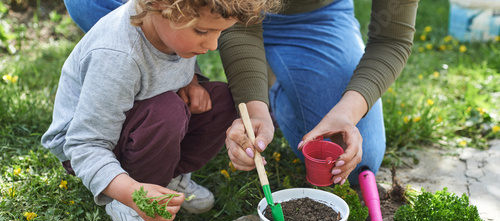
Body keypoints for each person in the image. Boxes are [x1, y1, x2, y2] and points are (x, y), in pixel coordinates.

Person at [63, 0, 419, 187]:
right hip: (224, 10)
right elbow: (233, 13)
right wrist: (253, 106)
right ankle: (147, 78)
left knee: (356, 163)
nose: (212, 47)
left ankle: (285, 91)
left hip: (312, 18)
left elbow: (392, 39)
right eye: (205, 35)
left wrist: (347, 112)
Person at [41, 0, 280, 221]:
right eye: (201, 31)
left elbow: (166, 61)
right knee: (167, 112)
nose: (212, 45)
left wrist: (192, 80)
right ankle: (130, 198)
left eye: (220, 32)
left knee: (221, 100)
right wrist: (132, 193)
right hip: (89, 145)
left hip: (140, 118)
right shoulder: (117, 56)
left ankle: (166, 178)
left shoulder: (168, 26)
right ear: (158, 5)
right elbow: (85, 146)